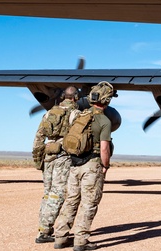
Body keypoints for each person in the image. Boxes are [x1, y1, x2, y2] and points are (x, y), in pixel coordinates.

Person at [53, 82, 115, 251]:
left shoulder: (77, 116)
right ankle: (81, 241)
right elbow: (104, 148)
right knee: (89, 203)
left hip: (75, 164)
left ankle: (60, 237)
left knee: (71, 200)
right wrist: (105, 165)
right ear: (107, 100)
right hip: (92, 166)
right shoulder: (104, 121)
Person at [32, 86, 80, 243]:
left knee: (47, 193)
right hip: (63, 157)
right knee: (58, 193)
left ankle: (43, 227)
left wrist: (38, 159)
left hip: (48, 155)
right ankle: (44, 232)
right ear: (76, 98)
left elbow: (39, 137)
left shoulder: (49, 113)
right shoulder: (75, 114)